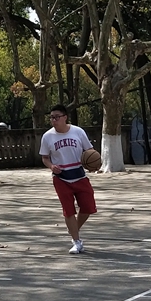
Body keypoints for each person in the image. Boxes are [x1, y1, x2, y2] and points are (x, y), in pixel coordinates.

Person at [39, 104, 97, 253]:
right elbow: (44, 158)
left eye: (57, 117)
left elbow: (89, 150)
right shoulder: (47, 136)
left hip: (79, 175)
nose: (54, 120)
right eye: (51, 117)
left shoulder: (78, 132)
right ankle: (77, 242)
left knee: (88, 208)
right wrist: (52, 166)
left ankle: (73, 229)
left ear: (65, 117)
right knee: (69, 211)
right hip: (61, 178)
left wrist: (93, 160)